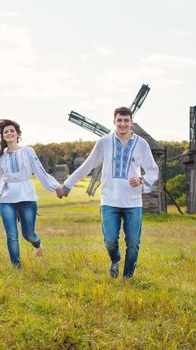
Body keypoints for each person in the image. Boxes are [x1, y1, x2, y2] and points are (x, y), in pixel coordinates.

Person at [59, 107, 159, 280]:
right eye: (119, 120)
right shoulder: (104, 142)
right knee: (110, 241)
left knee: (134, 243)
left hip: (132, 201)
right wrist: (67, 185)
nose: (122, 124)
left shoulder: (141, 144)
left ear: (131, 122)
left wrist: (142, 179)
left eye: (126, 120)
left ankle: (127, 278)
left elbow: (153, 170)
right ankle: (115, 259)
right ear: (114, 122)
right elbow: (87, 165)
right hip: (109, 200)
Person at [0, 119, 65, 268]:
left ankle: (37, 245)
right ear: (2, 136)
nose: (9, 133)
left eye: (12, 131)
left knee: (28, 235)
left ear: (18, 134)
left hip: (26, 197)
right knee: (11, 235)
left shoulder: (28, 151)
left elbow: (40, 171)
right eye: (5, 131)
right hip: (7, 198)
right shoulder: (1, 156)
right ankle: (16, 267)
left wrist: (55, 187)